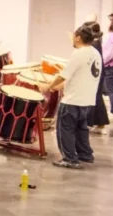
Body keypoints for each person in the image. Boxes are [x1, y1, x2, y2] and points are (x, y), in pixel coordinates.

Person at [41, 25, 102, 169]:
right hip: (87, 100)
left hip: (73, 99)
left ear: (79, 38)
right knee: (81, 128)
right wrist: (61, 86)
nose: (72, 39)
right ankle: (85, 154)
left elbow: (63, 75)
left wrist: (48, 87)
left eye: (74, 37)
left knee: (65, 129)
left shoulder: (79, 54)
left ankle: (70, 159)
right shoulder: (95, 52)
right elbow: (82, 75)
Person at [83, 22, 111, 134]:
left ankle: (90, 123)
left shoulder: (93, 45)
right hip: (97, 72)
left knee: (93, 97)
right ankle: (100, 124)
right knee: (96, 97)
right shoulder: (96, 42)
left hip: (94, 73)